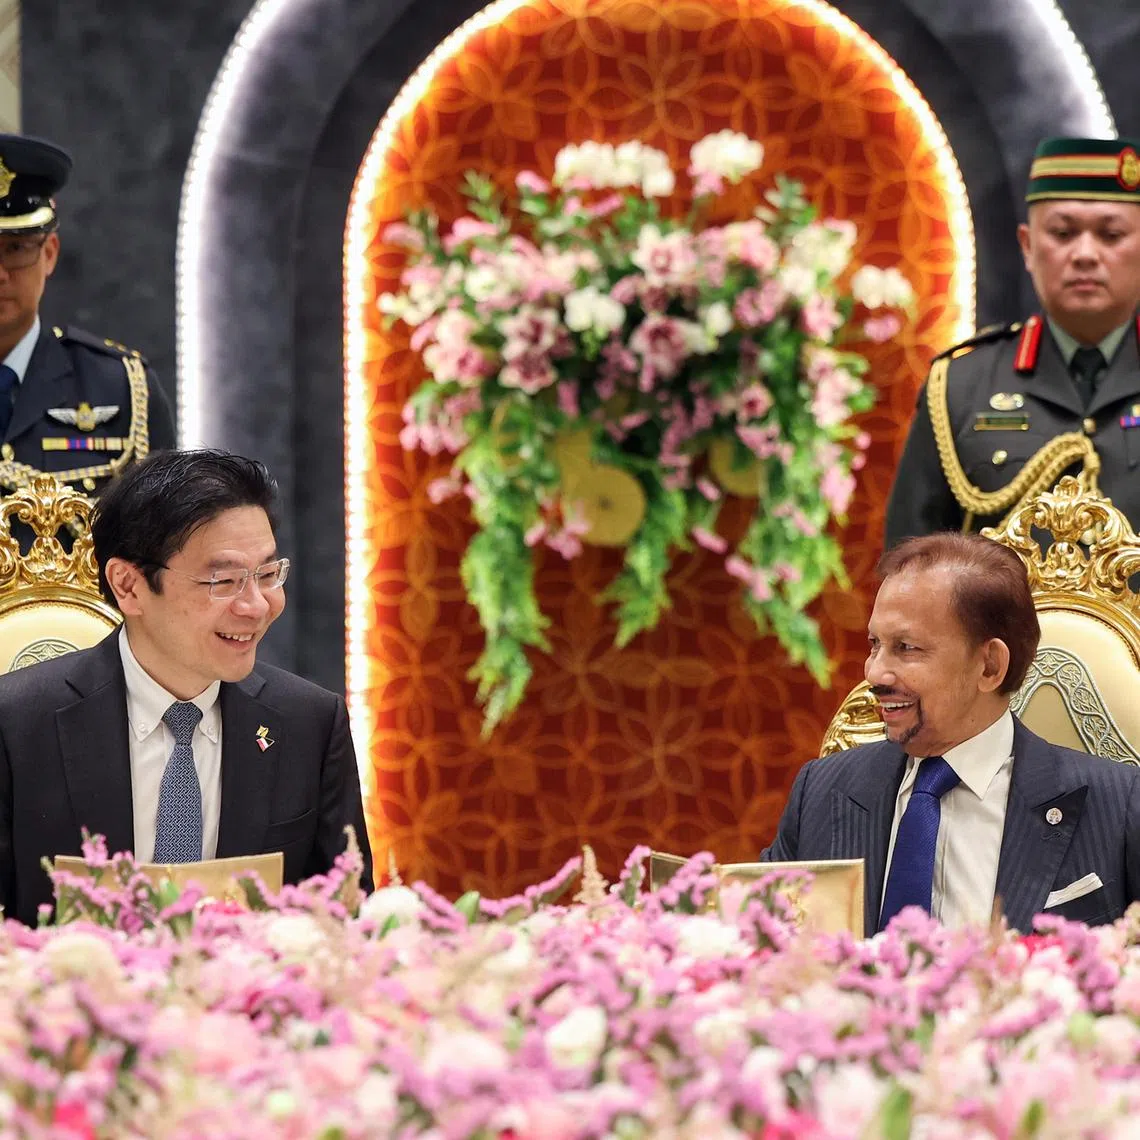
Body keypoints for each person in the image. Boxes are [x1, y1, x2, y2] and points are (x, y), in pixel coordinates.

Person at [0, 449, 372, 924]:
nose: (256, 606)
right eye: (224, 580)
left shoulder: (309, 725)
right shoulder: (17, 726)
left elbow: (345, 921)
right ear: (129, 585)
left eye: (266, 574)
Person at [762, 532, 1140, 933]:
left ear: (990, 666)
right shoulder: (821, 792)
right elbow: (764, 951)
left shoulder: (1119, 805)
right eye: (875, 644)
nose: (874, 673)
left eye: (906, 648)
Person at [886, 137, 1140, 546]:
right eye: (1063, 233)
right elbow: (911, 566)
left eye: (1111, 235)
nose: (1086, 254)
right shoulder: (960, 388)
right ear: (1027, 246)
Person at [0, 133, 174, 500]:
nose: (0, 273)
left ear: (49, 253)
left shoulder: (124, 389)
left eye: (15, 249)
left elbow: (165, 545)